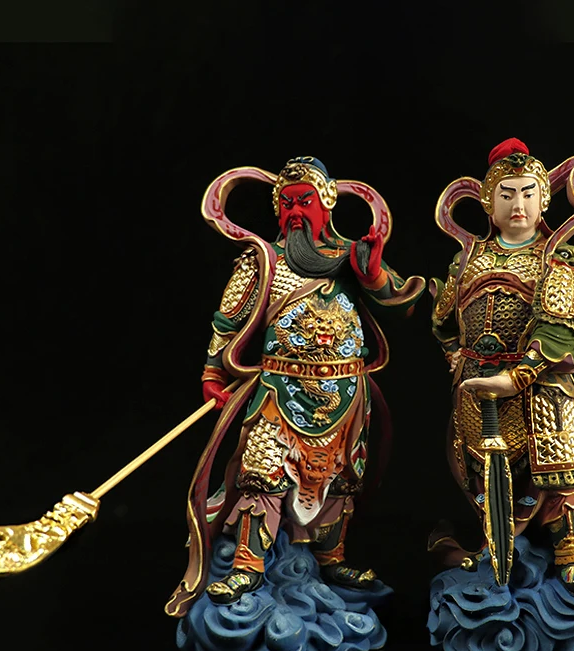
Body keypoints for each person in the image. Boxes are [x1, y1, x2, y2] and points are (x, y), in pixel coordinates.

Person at [173, 156, 424, 608]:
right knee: (261, 473)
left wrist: (373, 273)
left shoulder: (350, 256)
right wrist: (213, 372)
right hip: (279, 389)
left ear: (326, 203)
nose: (295, 213)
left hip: (346, 392)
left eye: (304, 202)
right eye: (286, 204)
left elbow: (401, 304)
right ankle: (247, 566)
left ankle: (332, 558)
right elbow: (227, 319)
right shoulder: (262, 261)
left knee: (342, 477)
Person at [429, 138, 574, 597]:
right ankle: (497, 544)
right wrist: (456, 357)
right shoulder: (467, 260)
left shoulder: (557, 256)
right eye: (506, 194)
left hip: (540, 382)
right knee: (483, 469)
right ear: (488, 202)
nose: (518, 204)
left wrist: (517, 376)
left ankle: (569, 549)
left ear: (543, 199)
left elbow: (558, 324)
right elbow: (443, 321)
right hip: (476, 384)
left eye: (528, 193)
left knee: (560, 458)